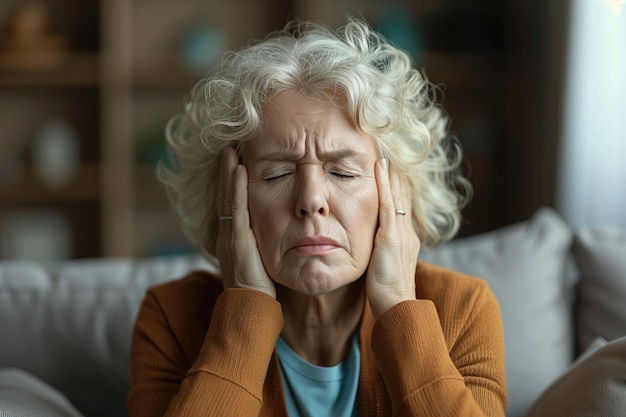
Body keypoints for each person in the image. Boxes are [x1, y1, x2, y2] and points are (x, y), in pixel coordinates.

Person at [127, 18, 507, 417]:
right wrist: (246, 307)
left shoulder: (463, 310)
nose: (311, 200)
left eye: (342, 171)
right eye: (278, 173)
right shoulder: (169, 318)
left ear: (395, 192)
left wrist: (397, 303)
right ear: (229, 196)